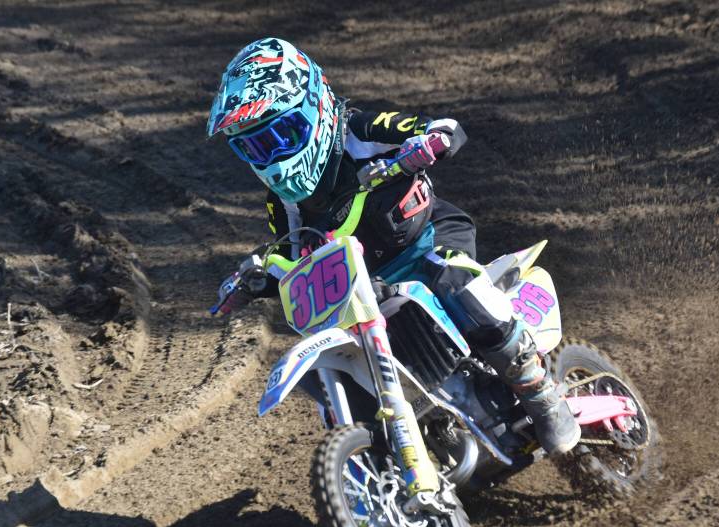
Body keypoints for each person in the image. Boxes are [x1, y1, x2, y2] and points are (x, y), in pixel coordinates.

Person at [207, 37, 581, 465]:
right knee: (336, 348)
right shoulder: (283, 202)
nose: (272, 157)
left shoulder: (359, 133)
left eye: (282, 135)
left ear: (315, 107)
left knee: (456, 281)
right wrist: (262, 280)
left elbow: (439, 128)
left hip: (428, 241)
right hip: (370, 287)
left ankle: (540, 394)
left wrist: (428, 141)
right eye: (254, 146)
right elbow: (294, 255)